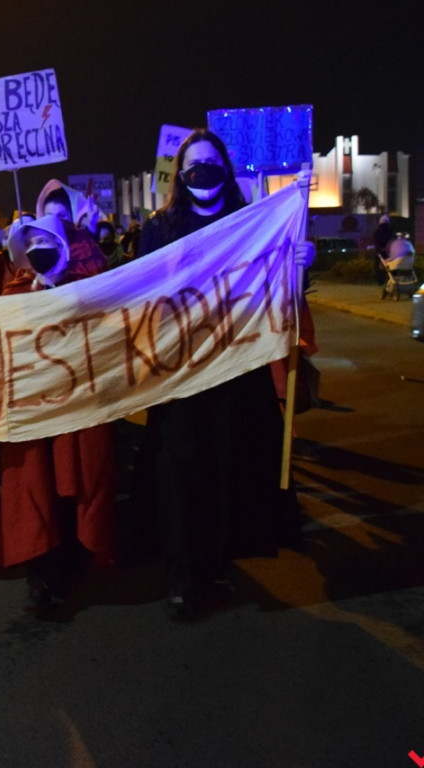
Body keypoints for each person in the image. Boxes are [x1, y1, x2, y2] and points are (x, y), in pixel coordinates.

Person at [134, 128, 313, 621]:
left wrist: (299, 264)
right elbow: (140, 295)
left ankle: (213, 564)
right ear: (180, 173)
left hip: (237, 374)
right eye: (193, 164)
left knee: (226, 469)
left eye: (211, 162)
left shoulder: (249, 223)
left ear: (225, 168)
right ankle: (181, 577)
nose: (202, 171)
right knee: (180, 472)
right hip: (181, 376)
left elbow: (278, 293)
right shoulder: (161, 227)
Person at [0, 214, 117, 608]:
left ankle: (68, 560)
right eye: (30, 246)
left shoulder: (87, 293)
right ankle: (40, 572)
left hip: (76, 410)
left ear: (63, 247)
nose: (38, 251)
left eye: (45, 242)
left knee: (72, 481)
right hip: (32, 414)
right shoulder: (12, 296)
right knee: (35, 485)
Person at [373, 214, 394, 286]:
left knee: (378, 266)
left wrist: (379, 249)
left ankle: (380, 281)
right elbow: (392, 240)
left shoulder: (377, 231)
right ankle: (390, 279)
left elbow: (376, 241)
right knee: (390, 266)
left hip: (379, 252)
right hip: (389, 252)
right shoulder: (390, 230)